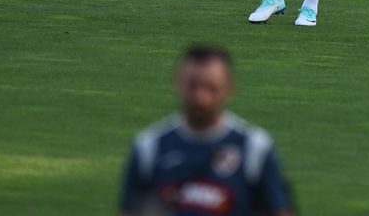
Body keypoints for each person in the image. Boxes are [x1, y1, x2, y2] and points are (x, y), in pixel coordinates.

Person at [119, 45, 295, 216]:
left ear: (229, 87)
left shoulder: (254, 148)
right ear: (177, 83)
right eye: (192, 86)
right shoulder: (149, 147)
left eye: (211, 88)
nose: (200, 98)